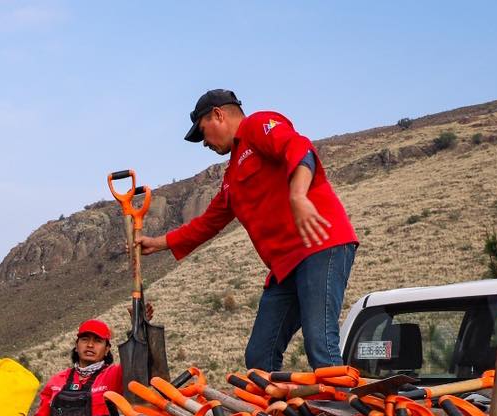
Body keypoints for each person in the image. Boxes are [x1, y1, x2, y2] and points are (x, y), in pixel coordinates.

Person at [137, 89, 359, 372]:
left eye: (203, 132)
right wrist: (159, 243)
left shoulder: (257, 126)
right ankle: (282, 413)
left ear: (218, 114)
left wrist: (298, 195)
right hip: (284, 267)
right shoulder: (231, 176)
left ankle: (339, 412)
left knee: (320, 345)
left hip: (320, 244)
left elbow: (298, 147)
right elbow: (208, 223)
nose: (204, 143)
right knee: (259, 357)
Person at [29, 319, 123, 416]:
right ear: (76, 346)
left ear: (106, 349)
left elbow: (140, 364)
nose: (90, 345)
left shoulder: (116, 375)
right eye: (85, 339)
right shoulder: (57, 381)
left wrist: (142, 325)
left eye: (98, 341)